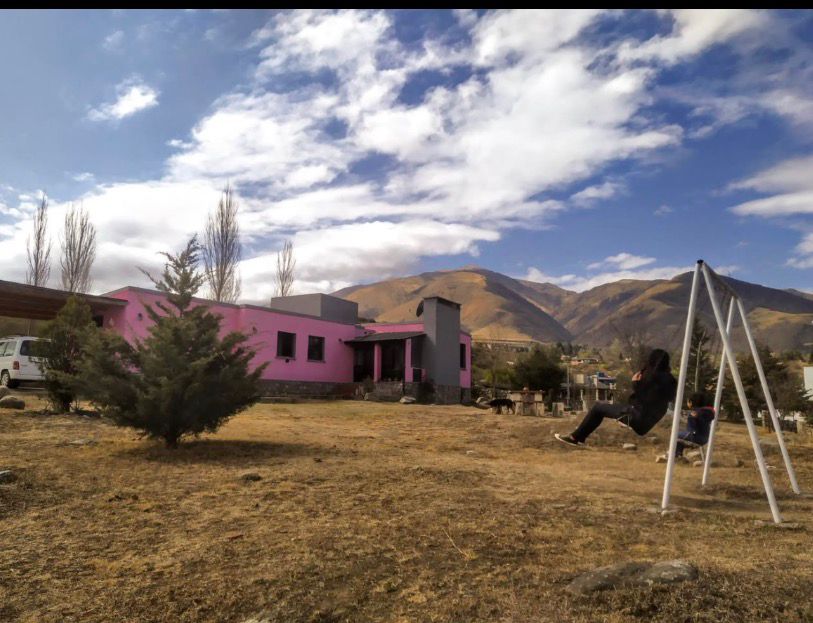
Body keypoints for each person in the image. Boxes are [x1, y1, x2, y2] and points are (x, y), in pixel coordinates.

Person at [555, 349, 677, 446]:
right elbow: (658, 401)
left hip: (636, 416)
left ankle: (575, 437)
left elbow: (645, 398)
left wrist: (635, 383)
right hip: (647, 424)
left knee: (598, 408)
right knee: (604, 409)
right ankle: (579, 437)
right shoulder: (671, 381)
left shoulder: (650, 376)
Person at [658, 391, 716, 462]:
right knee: (680, 436)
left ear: (691, 402)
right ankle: (678, 455)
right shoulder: (706, 412)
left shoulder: (695, 413)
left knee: (675, 435)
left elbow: (692, 428)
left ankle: (669, 455)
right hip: (705, 438)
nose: (687, 402)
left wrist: (690, 424)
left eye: (688, 401)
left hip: (696, 437)